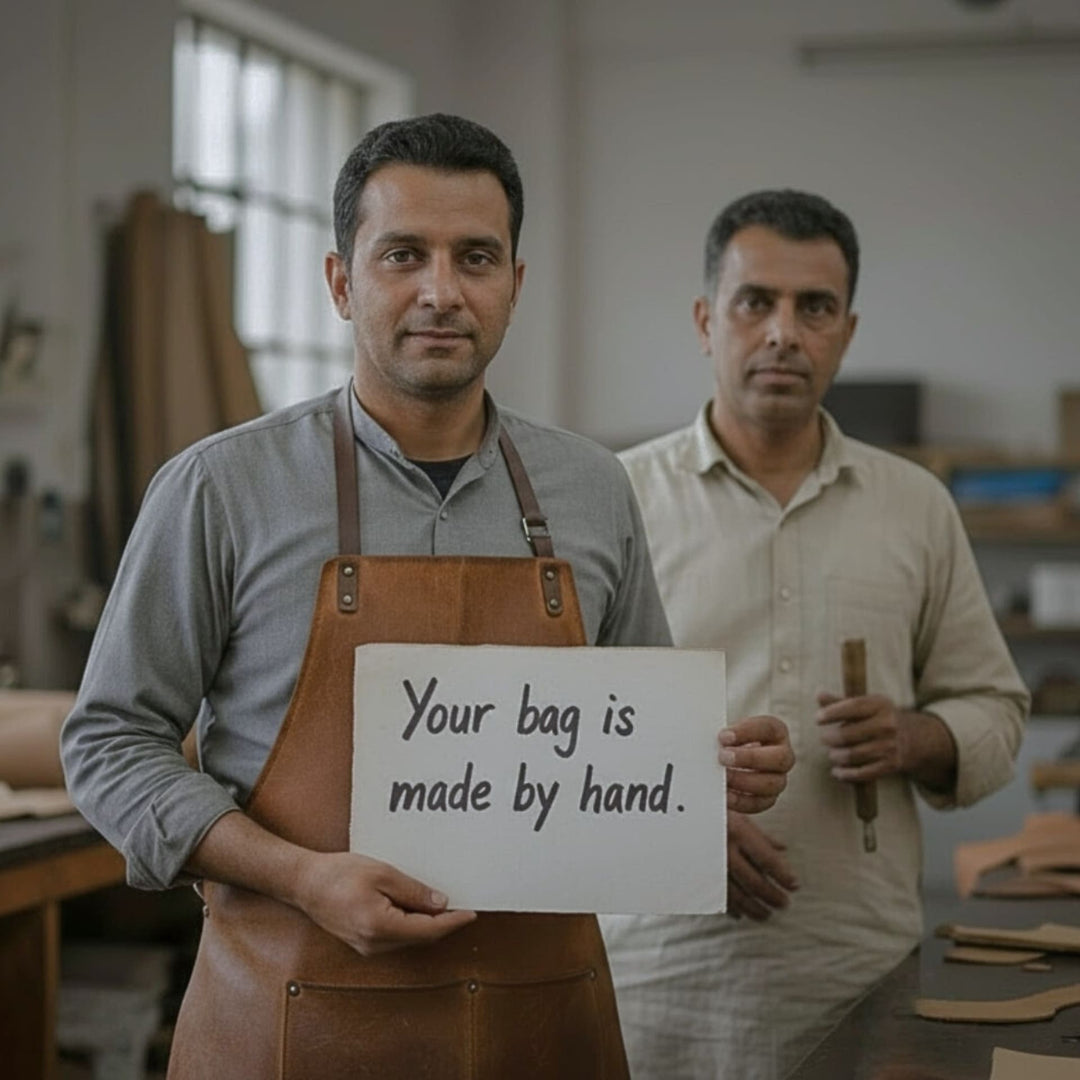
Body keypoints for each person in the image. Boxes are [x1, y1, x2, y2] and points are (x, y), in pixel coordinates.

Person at [60, 116, 793, 1079]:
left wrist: (714, 776)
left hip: (547, 1034)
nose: (441, 291)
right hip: (289, 1027)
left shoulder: (592, 488)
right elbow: (109, 743)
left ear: (515, 286)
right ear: (340, 280)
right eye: (403, 254)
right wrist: (303, 876)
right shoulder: (219, 489)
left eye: (476, 257)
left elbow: (632, 744)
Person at [601, 189, 1029, 1079]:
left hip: (859, 969)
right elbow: (551, 731)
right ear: (704, 319)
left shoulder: (915, 505)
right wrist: (676, 826)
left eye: (815, 307)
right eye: (755, 302)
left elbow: (996, 707)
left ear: (848, 330)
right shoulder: (614, 500)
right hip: (655, 975)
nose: (783, 333)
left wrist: (923, 735)